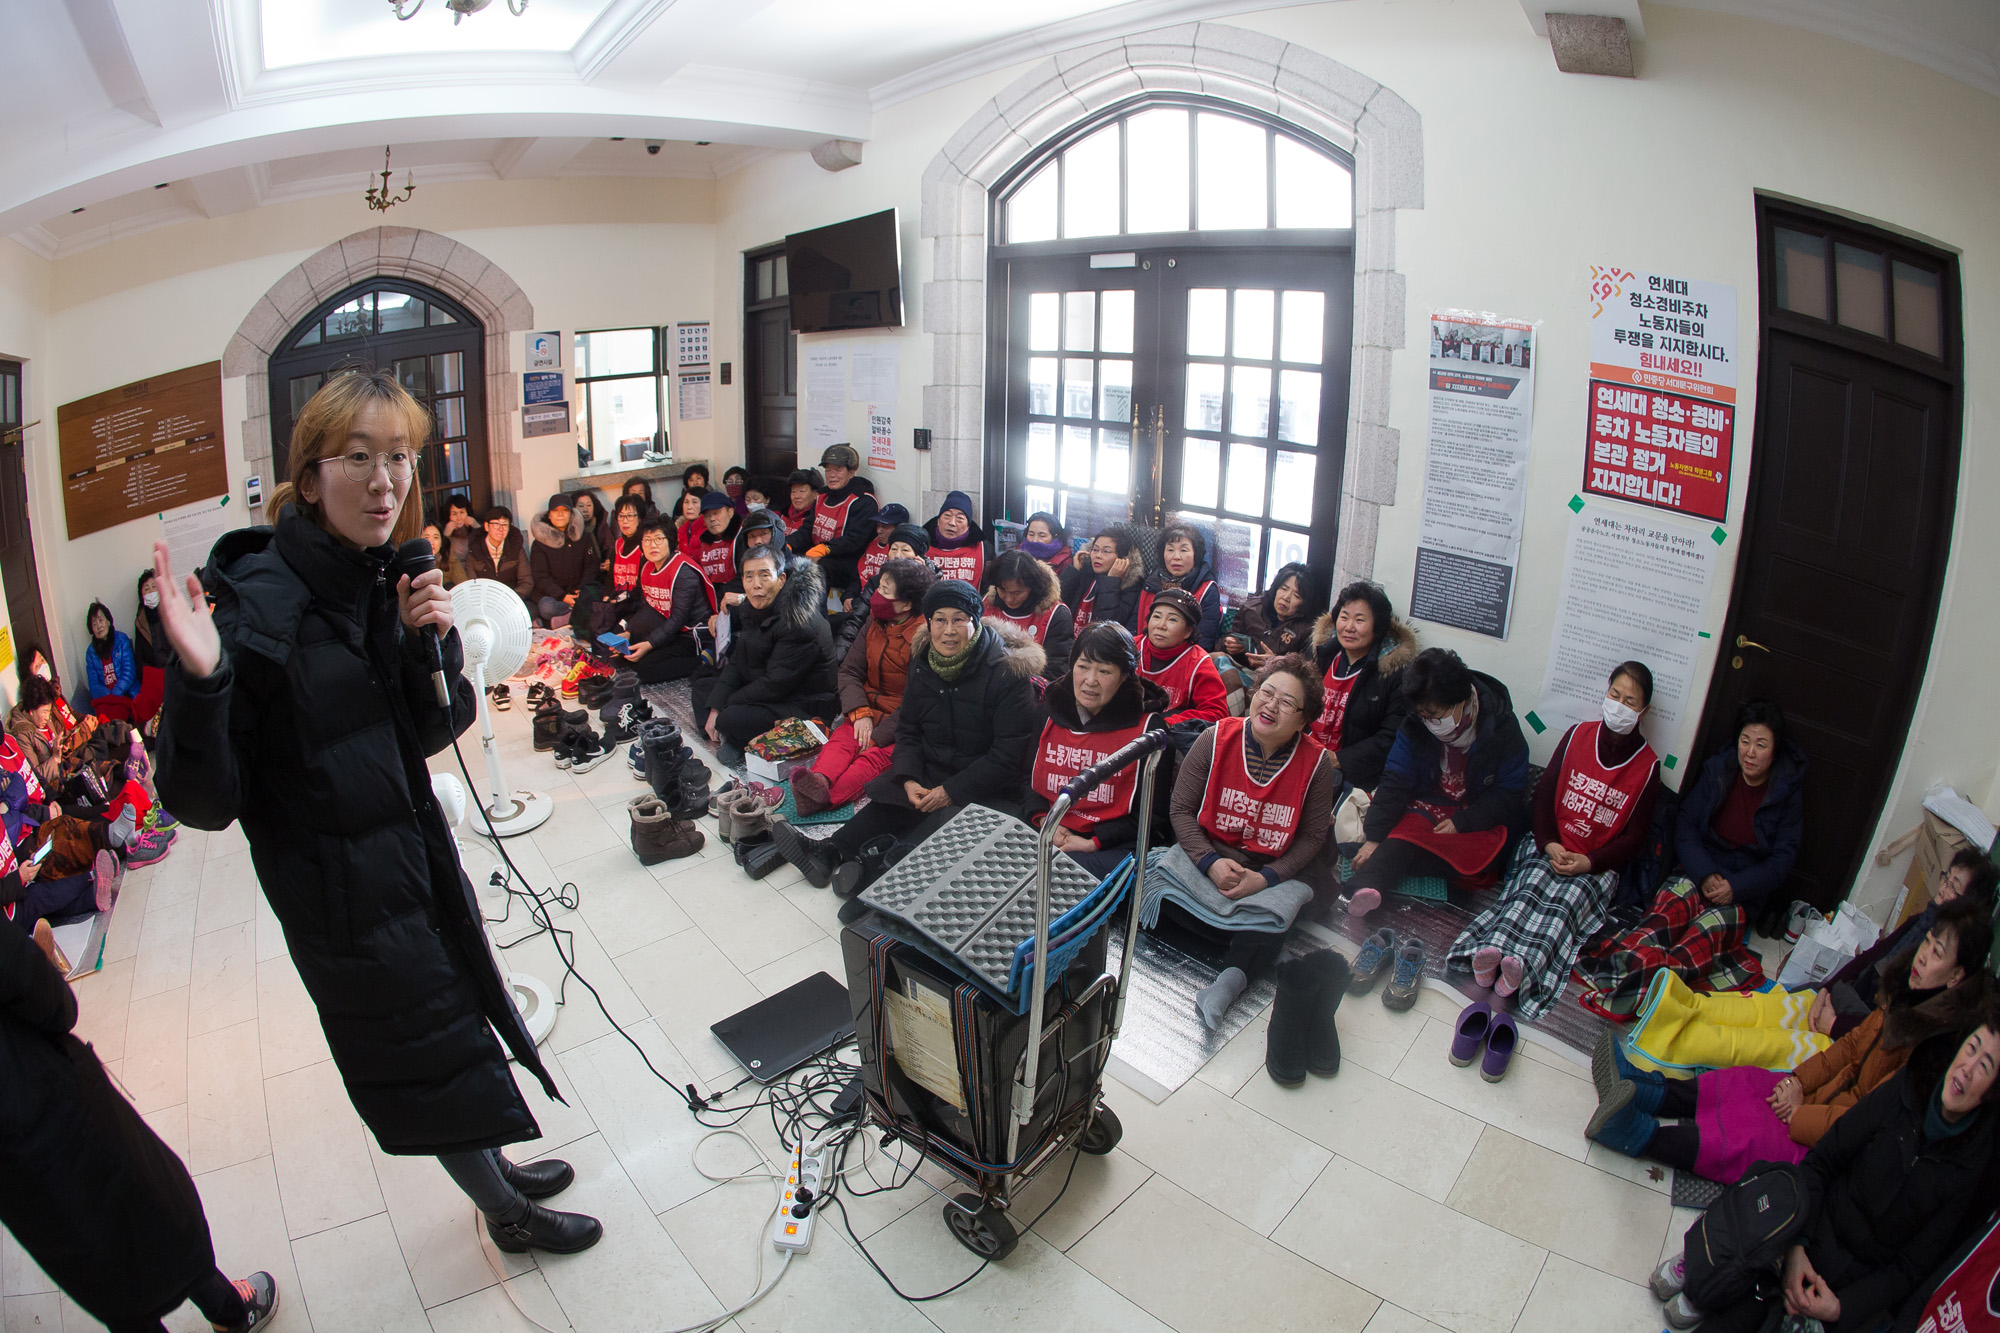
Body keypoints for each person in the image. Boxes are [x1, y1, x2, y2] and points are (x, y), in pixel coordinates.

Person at [151, 369, 600, 1257]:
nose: (386, 479)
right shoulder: (255, 606)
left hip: (410, 859)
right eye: (359, 457)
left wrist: (423, 642)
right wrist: (202, 685)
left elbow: (432, 727)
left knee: (454, 1024)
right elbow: (203, 802)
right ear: (310, 475)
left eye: (399, 456)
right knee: (423, 1056)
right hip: (343, 899)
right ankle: (505, 1211)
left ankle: (499, 1172)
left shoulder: (375, 577)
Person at [0, 919, 279, 1333]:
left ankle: (218, 1310)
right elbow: (53, 1004)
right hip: (48, 1097)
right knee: (154, 1209)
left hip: (12, 1173)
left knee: (89, 1254)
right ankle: (229, 1311)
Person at [1591, 902, 1993, 1188]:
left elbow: (1867, 1121)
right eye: (1927, 943)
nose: (1923, 955)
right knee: (1747, 1084)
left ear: (1957, 976)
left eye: (1937, 953)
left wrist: (1800, 1114)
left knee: (1753, 1133)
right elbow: (1850, 1049)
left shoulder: (1929, 1049)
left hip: (1836, 1148)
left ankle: (1636, 1133)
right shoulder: (1905, 997)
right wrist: (1798, 1082)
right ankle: (1644, 1090)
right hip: (1820, 1100)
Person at [1650, 1012, 2000, 1333]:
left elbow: (1911, 1268)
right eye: (1970, 1048)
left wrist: (1840, 1308)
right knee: (1740, 1283)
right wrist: (1798, 1248)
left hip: (1850, 1285)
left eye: (1984, 1065)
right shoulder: (1907, 1088)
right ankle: (1705, 1266)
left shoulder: (1972, 1163)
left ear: (1991, 1093)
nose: (1967, 1068)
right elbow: (1823, 1160)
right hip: (1809, 1227)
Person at [770, 579, 1043, 896]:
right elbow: (909, 729)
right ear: (929, 622)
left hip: (988, 782)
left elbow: (1007, 758)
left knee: (939, 823)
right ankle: (829, 851)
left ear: (976, 621)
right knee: (893, 800)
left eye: (959, 619)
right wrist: (910, 777)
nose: (949, 630)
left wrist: (949, 791)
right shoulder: (924, 661)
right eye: (940, 619)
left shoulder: (1008, 673)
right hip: (935, 767)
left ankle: (876, 875)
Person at [1444, 662, 1664, 1018]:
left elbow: (1635, 838)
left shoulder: (1648, 766)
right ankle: (1489, 955)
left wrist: (1589, 862)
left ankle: (1521, 970)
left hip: (1597, 864)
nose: (1619, 706)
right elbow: (1544, 796)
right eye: (1615, 695)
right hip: (1550, 844)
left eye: (1630, 701)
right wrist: (1549, 843)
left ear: (1644, 711)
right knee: (1526, 891)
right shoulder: (1578, 736)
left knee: (1563, 907)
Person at [1578, 699, 1806, 1016]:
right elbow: (1685, 825)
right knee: (1659, 922)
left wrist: (1734, 887)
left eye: (1761, 745)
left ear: (1775, 749)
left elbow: (1781, 861)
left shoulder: (1786, 792)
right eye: (1745, 741)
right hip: (1697, 871)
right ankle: (1641, 984)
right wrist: (1704, 874)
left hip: (1740, 892)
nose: (1750, 753)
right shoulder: (1719, 770)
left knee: (1697, 942)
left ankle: (1638, 992)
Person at [1150, 655, 1338, 1028]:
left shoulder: (1317, 764)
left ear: (1303, 720)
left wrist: (1266, 878)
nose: (1271, 705)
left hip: (1271, 868)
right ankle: (1229, 933)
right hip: (1212, 856)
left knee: (1275, 918)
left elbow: (1314, 836)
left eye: (1287, 703)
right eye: (1267, 692)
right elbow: (1181, 810)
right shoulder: (1215, 738)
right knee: (1149, 885)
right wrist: (1209, 862)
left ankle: (1229, 981)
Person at [1345, 647, 1530, 916]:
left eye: (1435, 715)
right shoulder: (1416, 722)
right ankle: (1366, 890)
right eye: (1423, 716)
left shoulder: (1502, 728)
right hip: (1427, 806)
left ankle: (1405, 863)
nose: (1429, 723)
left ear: (1462, 700)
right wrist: (1374, 837)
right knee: (1400, 836)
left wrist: (1463, 822)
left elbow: (1510, 793)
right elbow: (1395, 778)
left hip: (1474, 814)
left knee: (1479, 859)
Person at [790, 558, 936, 816]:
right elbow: (849, 670)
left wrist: (878, 735)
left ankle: (825, 799)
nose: (876, 595)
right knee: (842, 741)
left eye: (885, 591)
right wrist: (859, 713)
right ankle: (819, 781)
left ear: (908, 603)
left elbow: (919, 700)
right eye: (879, 587)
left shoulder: (924, 637)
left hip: (903, 724)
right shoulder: (875, 621)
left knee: (870, 757)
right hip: (867, 709)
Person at [1024, 623, 1169, 880]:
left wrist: (1093, 843)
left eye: (1104, 671)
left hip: (1110, 844)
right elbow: (1027, 778)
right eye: (1082, 667)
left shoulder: (1149, 728)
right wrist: (1044, 820)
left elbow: (1152, 815)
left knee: (1058, 877)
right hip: (1049, 827)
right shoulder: (1051, 710)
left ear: (1126, 675)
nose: (1090, 680)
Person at [1823, 848, 1996, 1030]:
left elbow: (1891, 1026)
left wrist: (1835, 1025)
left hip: (1859, 1024)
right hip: (1853, 997)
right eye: (1946, 878)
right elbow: (1872, 955)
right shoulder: (1921, 921)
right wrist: (1826, 989)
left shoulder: (1942, 970)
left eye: (1954, 887)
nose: (1944, 888)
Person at [699, 546, 838, 765]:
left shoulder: (798, 621)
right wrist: (717, 704)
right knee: (704, 689)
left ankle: (736, 739)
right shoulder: (754, 605)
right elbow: (739, 659)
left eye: (765, 575)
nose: (756, 584)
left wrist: (726, 706)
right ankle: (742, 737)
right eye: (749, 576)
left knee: (728, 717)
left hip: (805, 705)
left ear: (781, 579)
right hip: (770, 680)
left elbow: (775, 685)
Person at [1307, 581, 1417, 793]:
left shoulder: (1393, 673)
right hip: (1308, 753)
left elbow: (1390, 737)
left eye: (1360, 620)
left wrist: (1339, 759)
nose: (1348, 627)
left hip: (1353, 773)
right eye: (1344, 617)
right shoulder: (1322, 653)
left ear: (1378, 627)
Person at [608, 516, 714, 684]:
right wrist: (630, 632)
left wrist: (649, 643)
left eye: (658, 539)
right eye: (647, 540)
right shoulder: (647, 566)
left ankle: (704, 660)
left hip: (691, 634)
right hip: (667, 627)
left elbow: (679, 618)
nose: (652, 545)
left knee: (645, 670)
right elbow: (647, 607)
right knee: (625, 654)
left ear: (670, 541)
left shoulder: (683, 571)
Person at [786, 443, 879, 592]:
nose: (831, 475)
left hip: (846, 561)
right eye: (828, 470)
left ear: (851, 472)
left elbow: (855, 541)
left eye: (838, 470)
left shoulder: (864, 501)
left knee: (814, 571)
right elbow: (807, 530)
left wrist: (826, 549)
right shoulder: (822, 496)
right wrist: (788, 544)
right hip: (818, 553)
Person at [1137, 585, 1229, 726]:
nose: (1161, 625)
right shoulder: (1129, 647)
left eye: (1172, 620)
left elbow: (1216, 713)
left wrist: (1168, 723)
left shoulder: (1198, 662)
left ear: (1188, 631)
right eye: (1156, 617)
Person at [983, 549, 1075, 675]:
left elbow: (1057, 669)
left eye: (1017, 593)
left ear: (1033, 587)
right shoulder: (985, 604)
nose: (1009, 599)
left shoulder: (1056, 614)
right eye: (1002, 590)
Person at [1136, 521, 1222, 650]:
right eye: (1170, 549)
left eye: (1183, 550)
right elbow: (1134, 623)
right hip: (1143, 655)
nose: (1176, 557)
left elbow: (1204, 640)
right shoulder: (1151, 582)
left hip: (1183, 660)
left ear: (1195, 554)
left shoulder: (1207, 588)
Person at [1224, 562, 1317, 667]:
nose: (1286, 597)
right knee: (1218, 658)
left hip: (1276, 680)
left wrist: (1276, 664)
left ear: (1304, 603)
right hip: (1242, 669)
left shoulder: (1308, 630)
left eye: (1296, 595)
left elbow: (1307, 673)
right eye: (1284, 589)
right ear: (1276, 588)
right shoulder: (1251, 608)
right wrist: (1228, 644)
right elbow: (1227, 640)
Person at [527, 493, 596, 627]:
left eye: (565, 511)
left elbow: (591, 566)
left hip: (578, 591)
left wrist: (581, 590)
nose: (560, 515)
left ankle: (562, 620)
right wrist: (563, 596)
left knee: (595, 597)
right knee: (547, 608)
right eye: (556, 511)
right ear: (549, 515)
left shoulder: (584, 537)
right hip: (554, 596)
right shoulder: (539, 543)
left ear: (571, 514)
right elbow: (540, 577)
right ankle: (576, 614)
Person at [1072, 528, 1145, 633]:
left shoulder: (1131, 586)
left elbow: (1107, 626)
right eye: (1095, 549)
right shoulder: (1087, 573)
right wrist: (1073, 571)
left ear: (1122, 559)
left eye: (1106, 551)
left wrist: (1111, 582)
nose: (1098, 556)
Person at [462, 505, 535, 604]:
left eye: (505, 525)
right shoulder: (474, 551)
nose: (501, 529)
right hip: (485, 602)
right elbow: (472, 585)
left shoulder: (516, 549)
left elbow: (526, 581)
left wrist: (509, 599)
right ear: (487, 526)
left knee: (531, 610)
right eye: (496, 524)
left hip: (512, 600)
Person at [82, 601, 139, 711]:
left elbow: (129, 672)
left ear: (108, 621)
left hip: (127, 694)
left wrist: (116, 693)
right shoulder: (90, 652)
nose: (98, 626)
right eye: (94, 624)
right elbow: (93, 684)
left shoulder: (122, 640)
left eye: (101, 620)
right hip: (107, 701)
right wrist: (109, 697)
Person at [1019, 511, 1084, 606]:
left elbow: (1062, 595)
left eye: (1042, 536)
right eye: (1031, 534)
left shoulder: (1066, 561)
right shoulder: (1018, 553)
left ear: (1055, 536)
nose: (1035, 540)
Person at [924, 490, 986, 585]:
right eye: (947, 516)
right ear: (938, 520)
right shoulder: (921, 544)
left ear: (968, 525)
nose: (952, 523)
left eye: (960, 518)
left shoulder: (984, 548)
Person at [854, 502, 912, 597]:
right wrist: (849, 595)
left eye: (885, 527)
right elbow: (858, 572)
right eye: (878, 525)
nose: (879, 531)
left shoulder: (904, 554)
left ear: (898, 528)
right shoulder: (871, 543)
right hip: (862, 597)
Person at [692, 490, 742, 589]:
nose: (712, 519)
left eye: (716, 513)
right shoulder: (704, 541)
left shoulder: (741, 537)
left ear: (730, 512)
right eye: (707, 515)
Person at [133, 568, 176, 670]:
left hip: (175, 672)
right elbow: (139, 660)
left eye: (154, 587)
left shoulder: (171, 613)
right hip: (154, 676)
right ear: (142, 595)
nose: (151, 591)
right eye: (147, 589)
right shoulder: (140, 623)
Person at [440, 492, 480, 570]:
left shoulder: (475, 528)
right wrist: (446, 534)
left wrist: (476, 526)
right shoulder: (445, 532)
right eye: (454, 514)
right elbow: (440, 556)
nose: (459, 518)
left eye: (462, 512)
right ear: (449, 516)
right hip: (455, 573)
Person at [421, 521, 466, 588]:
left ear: (441, 542)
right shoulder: (412, 562)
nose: (431, 542)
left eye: (436, 538)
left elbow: (463, 586)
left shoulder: (450, 559)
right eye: (426, 538)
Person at [778, 469, 820, 536]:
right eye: (793, 491)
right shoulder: (783, 515)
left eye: (802, 491)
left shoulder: (816, 520)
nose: (796, 496)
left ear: (815, 494)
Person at [672, 486, 706, 560]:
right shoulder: (678, 530)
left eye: (695, 502)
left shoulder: (709, 529)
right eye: (686, 502)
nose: (689, 507)